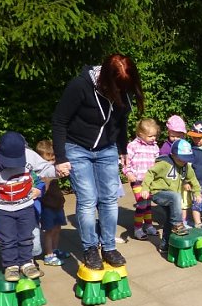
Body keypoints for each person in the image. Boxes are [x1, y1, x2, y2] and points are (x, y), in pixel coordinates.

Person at [52, 53, 143, 270]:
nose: (121, 92)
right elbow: (59, 121)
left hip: (107, 149)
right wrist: (61, 157)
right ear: (106, 80)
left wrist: (122, 149)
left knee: (109, 199)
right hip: (77, 149)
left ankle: (109, 247)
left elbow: (120, 122)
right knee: (87, 200)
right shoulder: (80, 86)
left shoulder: (124, 88)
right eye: (118, 88)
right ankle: (90, 248)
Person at [0, 132, 54, 281]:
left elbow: (45, 168)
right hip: (1, 208)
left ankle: (26, 263)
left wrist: (57, 170)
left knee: (26, 236)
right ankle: (10, 266)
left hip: (25, 205)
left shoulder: (29, 155)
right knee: (7, 239)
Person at [140, 138, 201, 256]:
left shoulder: (186, 166)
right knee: (175, 197)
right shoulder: (164, 163)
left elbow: (193, 179)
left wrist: (197, 192)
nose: (183, 162)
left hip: (172, 197)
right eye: (181, 159)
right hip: (158, 193)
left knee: (169, 219)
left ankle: (165, 245)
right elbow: (150, 173)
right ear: (173, 155)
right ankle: (178, 224)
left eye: (186, 159)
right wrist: (145, 188)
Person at [123, 118, 161, 239]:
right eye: (150, 136)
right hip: (137, 180)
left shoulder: (154, 146)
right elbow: (126, 162)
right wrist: (128, 173)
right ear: (140, 134)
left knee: (148, 204)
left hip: (150, 181)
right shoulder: (132, 146)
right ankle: (138, 228)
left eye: (155, 135)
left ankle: (148, 226)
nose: (153, 138)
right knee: (142, 203)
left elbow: (158, 162)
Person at [34, 140, 70, 266]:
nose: (51, 163)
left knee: (57, 228)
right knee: (49, 231)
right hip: (47, 205)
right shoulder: (39, 173)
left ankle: (54, 250)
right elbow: (43, 190)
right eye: (47, 161)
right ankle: (48, 254)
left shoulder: (55, 169)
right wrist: (47, 179)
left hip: (57, 203)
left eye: (53, 159)